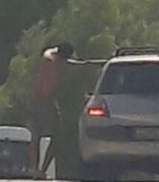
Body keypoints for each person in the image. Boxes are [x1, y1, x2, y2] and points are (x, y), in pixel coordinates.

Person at [27, 42, 103, 179]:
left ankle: (42, 169)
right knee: (36, 135)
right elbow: (47, 54)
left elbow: (82, 64)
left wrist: (100, 63)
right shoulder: (49, 59)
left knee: (56, 136)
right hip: (37, 101)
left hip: (50, 102)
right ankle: (35, 169)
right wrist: (53, 59)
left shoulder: (63, 62)